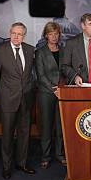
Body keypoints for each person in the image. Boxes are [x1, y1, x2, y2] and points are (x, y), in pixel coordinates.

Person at [0, 22, 36, 179]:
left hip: (26, 98)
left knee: (25, 133)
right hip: (8, 99)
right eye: (14, 33)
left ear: (24, 35)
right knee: (8, 135)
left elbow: (31, 74)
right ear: (10, 33)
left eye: (20, 34)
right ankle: (6, 166)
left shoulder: (30, 50)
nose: (16, 36)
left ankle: (22, 163)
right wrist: (2, 95)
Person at [35, 22, 66, 169]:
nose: (54, 36)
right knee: (47, 126)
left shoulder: (64, 50)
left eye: (56, 33)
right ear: (46, 35)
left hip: (62, 92)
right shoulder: (40, 52)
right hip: (46, 93)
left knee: (61, 126)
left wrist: (61, 88)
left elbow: (66, 71)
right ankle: (45, 156)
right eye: (51, 34)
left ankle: (59, 154)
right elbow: (40, 76)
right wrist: (54, 89)